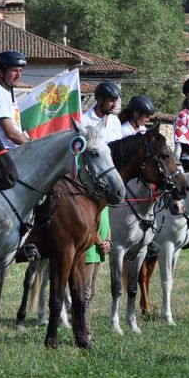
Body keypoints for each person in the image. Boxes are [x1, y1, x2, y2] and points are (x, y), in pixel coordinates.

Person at [80, 81, 123, 309]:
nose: (114, 104)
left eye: (115, 100)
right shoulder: (85, 121)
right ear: (99, 100)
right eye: (110, 100)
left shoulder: (115, 122)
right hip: (90, 177)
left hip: (109, 175)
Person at [0, 49, 31, 150]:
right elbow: (10, 132)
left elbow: (16, 128)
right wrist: (33, 147)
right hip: (5, 152)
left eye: (20, 71)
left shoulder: (8, 93)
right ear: (1, 72)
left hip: (15, 149)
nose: (19, 75)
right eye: (14, 71)